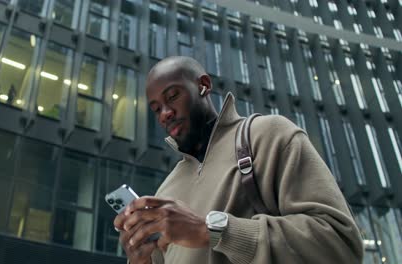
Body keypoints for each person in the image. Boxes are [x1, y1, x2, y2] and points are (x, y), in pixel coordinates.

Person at [114, 56, 363, 264]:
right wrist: (142, 259)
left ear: (203, 85)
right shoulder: (166, 189)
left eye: (173, 96)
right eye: (156, 108)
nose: (165, 114)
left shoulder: (269, 134)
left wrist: (211, 230)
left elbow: (340, 244)